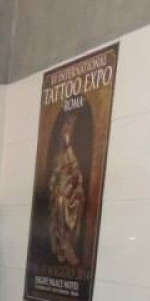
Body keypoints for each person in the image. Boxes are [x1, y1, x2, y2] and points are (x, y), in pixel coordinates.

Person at [47, 113, 86, 266]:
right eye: (65, 133)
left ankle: (68, 246)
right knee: (60, 202)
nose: (66, 135)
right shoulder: (58, 158)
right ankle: (61, 246)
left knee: (65, 203)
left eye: (69, 133)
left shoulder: (72, 156)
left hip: (70, 196)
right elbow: (52, 180)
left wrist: (69, 145)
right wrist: (54, 188)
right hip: (60, 195)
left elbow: (76, 174)